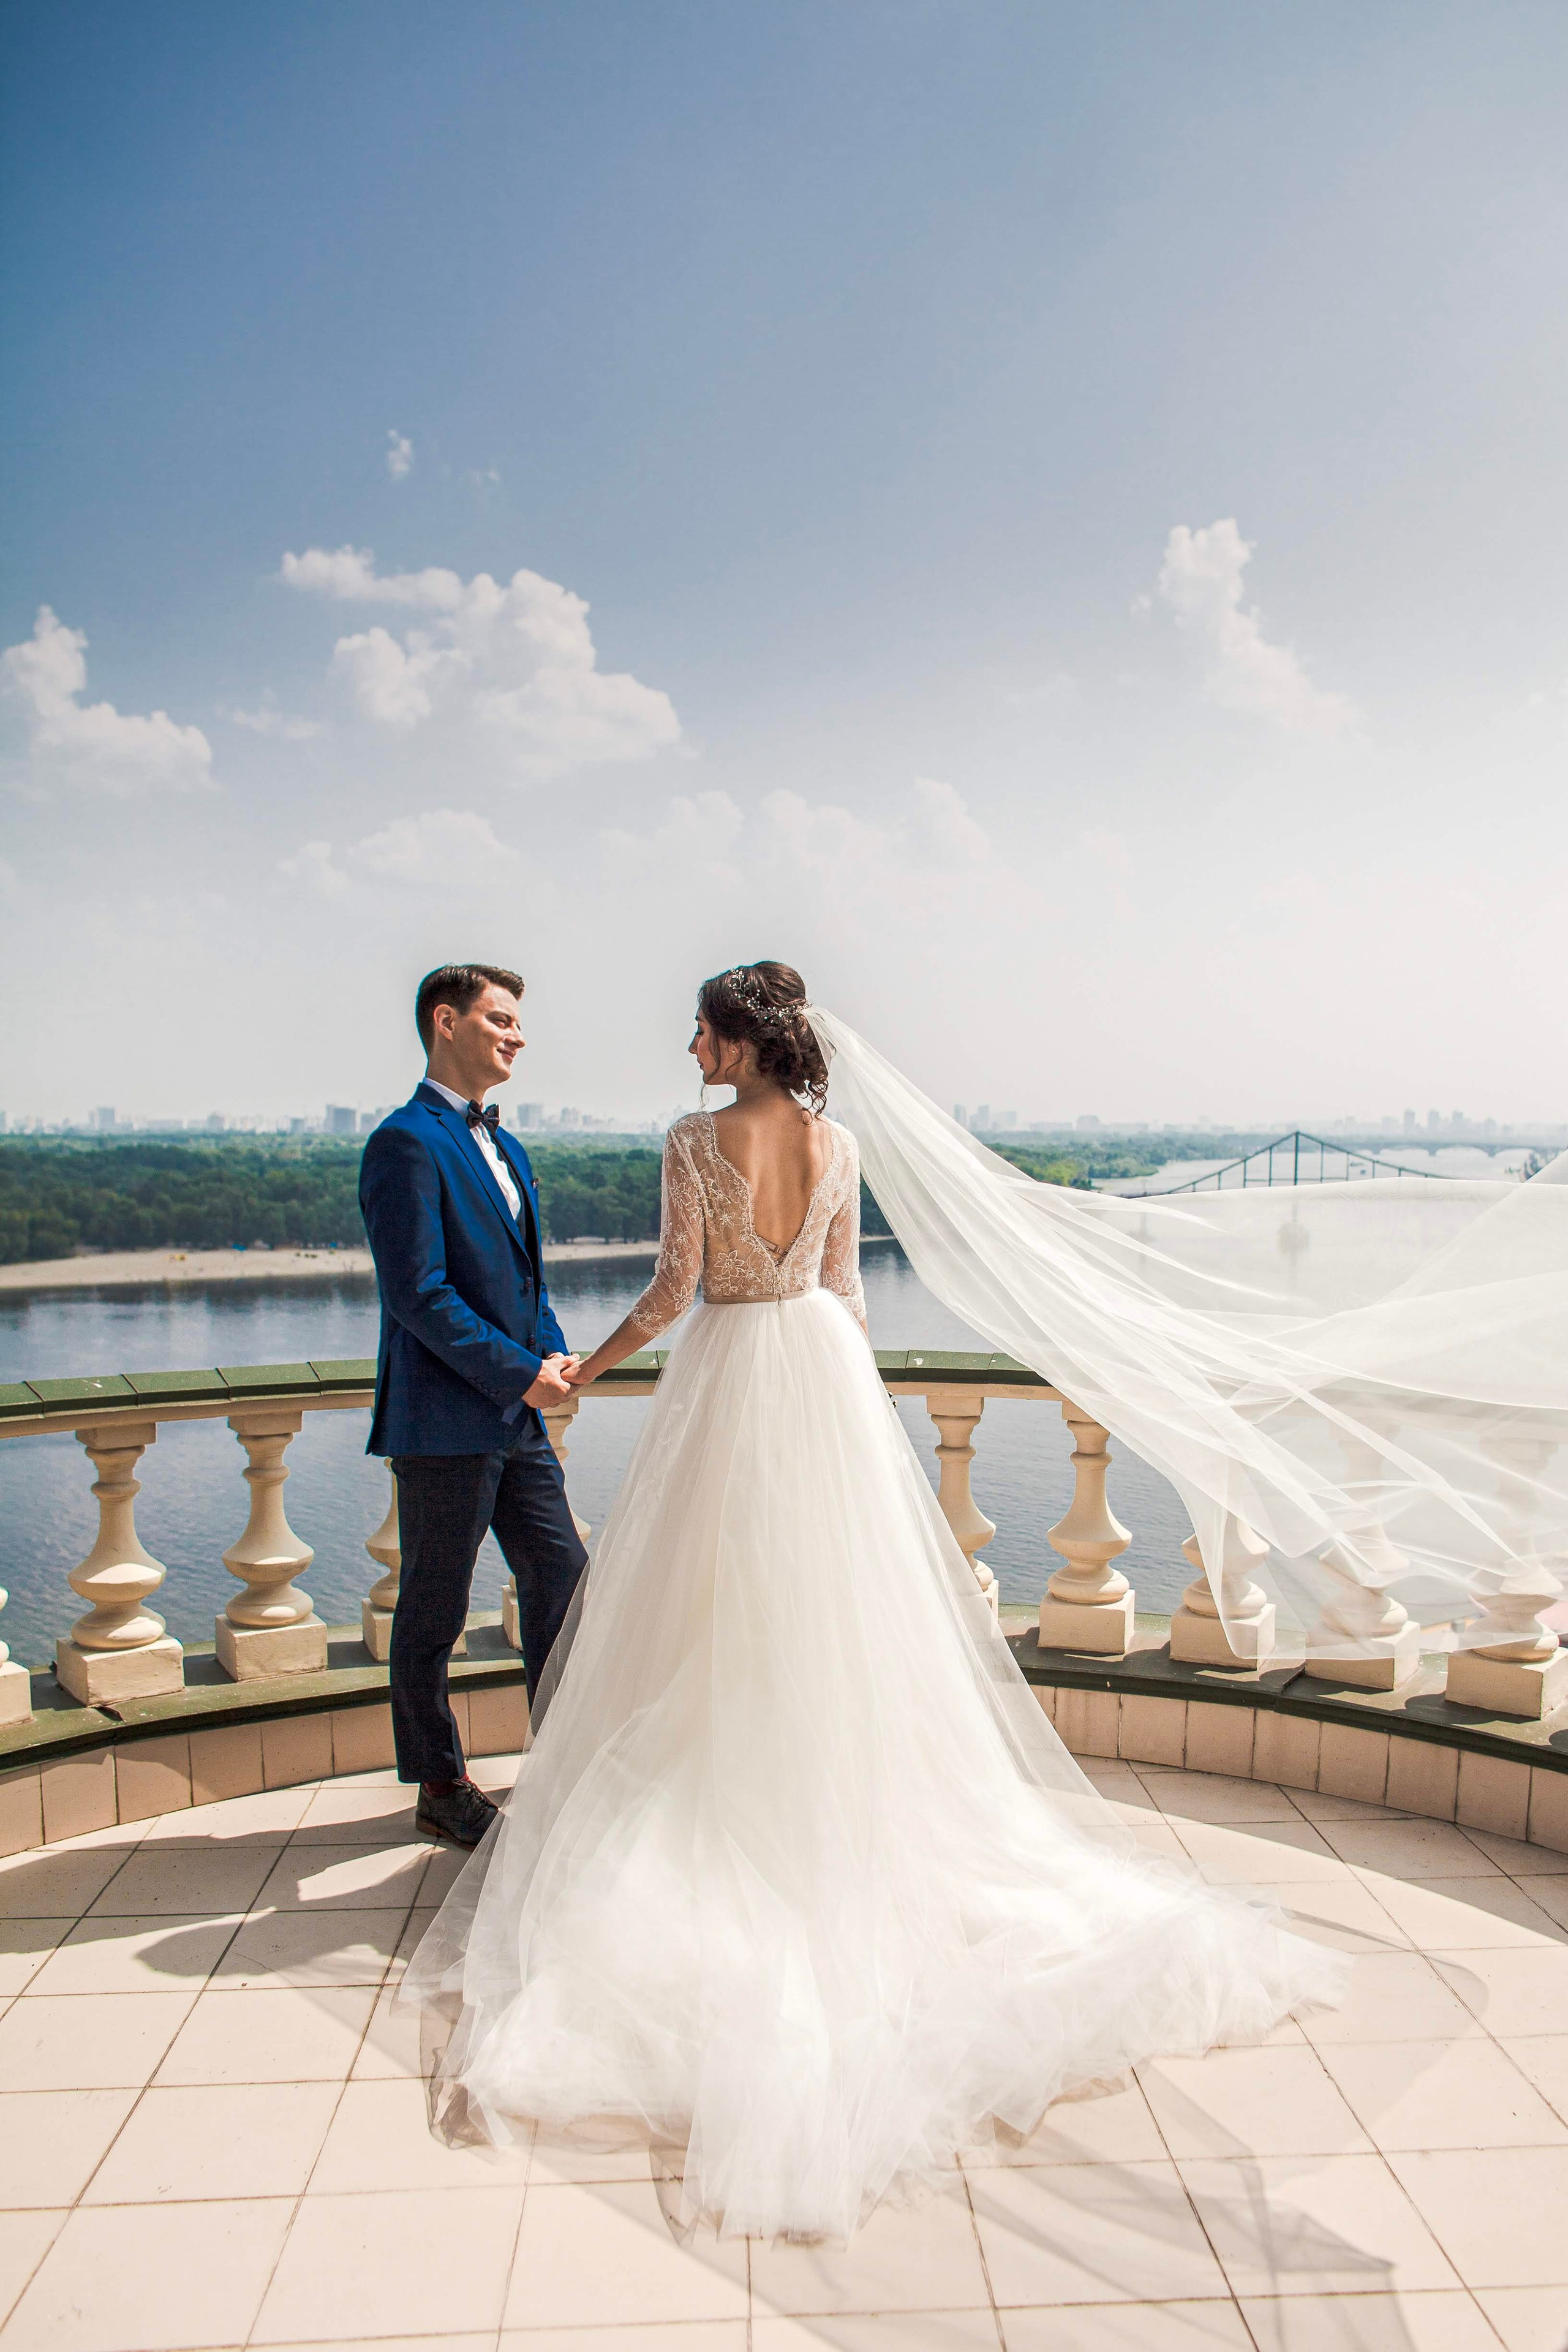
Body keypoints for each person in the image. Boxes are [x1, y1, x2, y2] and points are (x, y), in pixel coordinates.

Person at [402, 961, 1345, 2244]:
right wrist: (850, 1410)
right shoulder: (837, 1141)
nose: (687, 1045)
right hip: (820, 1377)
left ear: (741, 1043)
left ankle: (728, 1808)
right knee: (832, 1621)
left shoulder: (690, 1140)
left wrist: (580, 1372)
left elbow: (676, 1294)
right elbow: (842, 1291)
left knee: (709, 1610)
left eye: (701, 1028)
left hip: (730, 1378)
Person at [359, 963, 587, 1848]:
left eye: (519, 1022)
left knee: (564, 1582)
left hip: (514, 1414)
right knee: (434, 1608)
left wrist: (552, 1349)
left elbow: (524, 1279)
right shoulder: (403, 1143)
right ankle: (440, 1782)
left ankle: (567, 1760)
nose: (518, 1035)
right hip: (446, 1420)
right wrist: (517, 1372)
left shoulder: (508, 1145)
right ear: (445, 1022)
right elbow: (417, 1295)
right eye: (501, 1019)